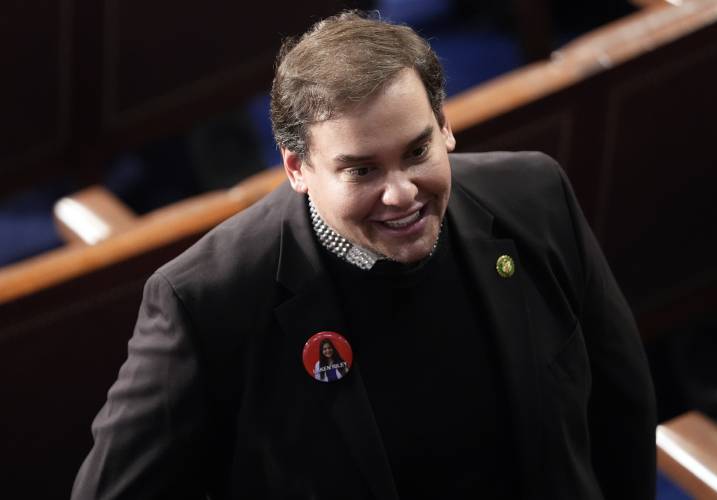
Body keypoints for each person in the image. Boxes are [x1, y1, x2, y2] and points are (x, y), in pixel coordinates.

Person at [72, 10, 656, 500]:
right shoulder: (206, 301)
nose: (402, 192)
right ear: (297, 168)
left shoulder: (534, 196)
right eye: (361, 170)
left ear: (445, 126)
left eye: (417, 150)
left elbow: (622, 407)